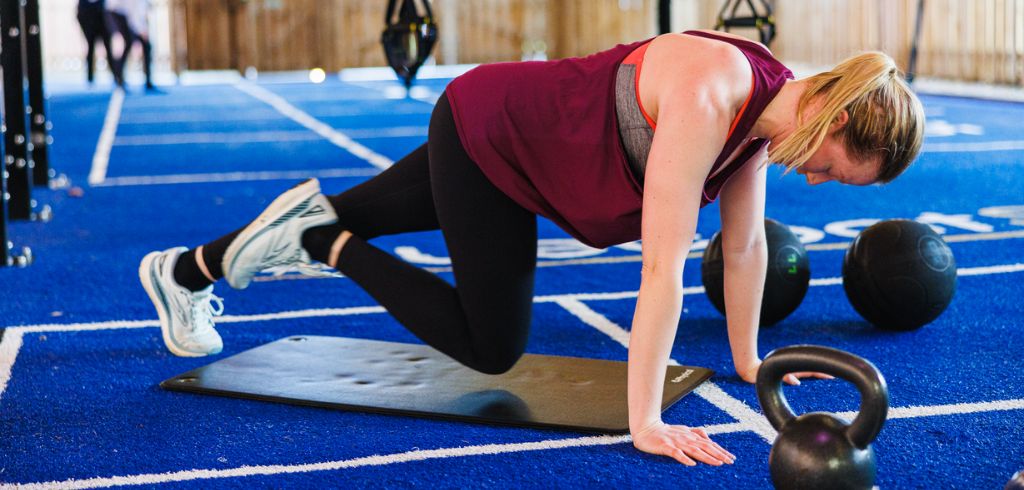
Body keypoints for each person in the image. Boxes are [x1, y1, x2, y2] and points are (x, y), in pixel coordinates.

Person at [139, 30, 924, 465]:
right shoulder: (714, 93)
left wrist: (754, 364)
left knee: (365, 208)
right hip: (496, 140)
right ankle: (325, 242)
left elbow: (746, 248)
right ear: (833, 120)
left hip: (521, 144)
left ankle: (181, 272)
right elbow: (662, 269)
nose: (817, 182)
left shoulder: (764, 121)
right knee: (491, 346)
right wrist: (642, 419)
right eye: (830, 168)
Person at [107, 0, 156, 91]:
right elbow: (134, 13)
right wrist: (142, 30)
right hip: (116, 14)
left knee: (144, 45)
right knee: (128, 44)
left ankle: (148, 80)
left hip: (124, 14)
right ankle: (119, 78)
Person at [76, 0, 122, 86]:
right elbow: (80, 14)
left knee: (108, 49)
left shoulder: (103, 4)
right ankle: (90, 76)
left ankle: (116, 76)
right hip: (90, 24)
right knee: (91, 48)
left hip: (102, 24)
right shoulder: (83, 4)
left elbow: (109, 11)